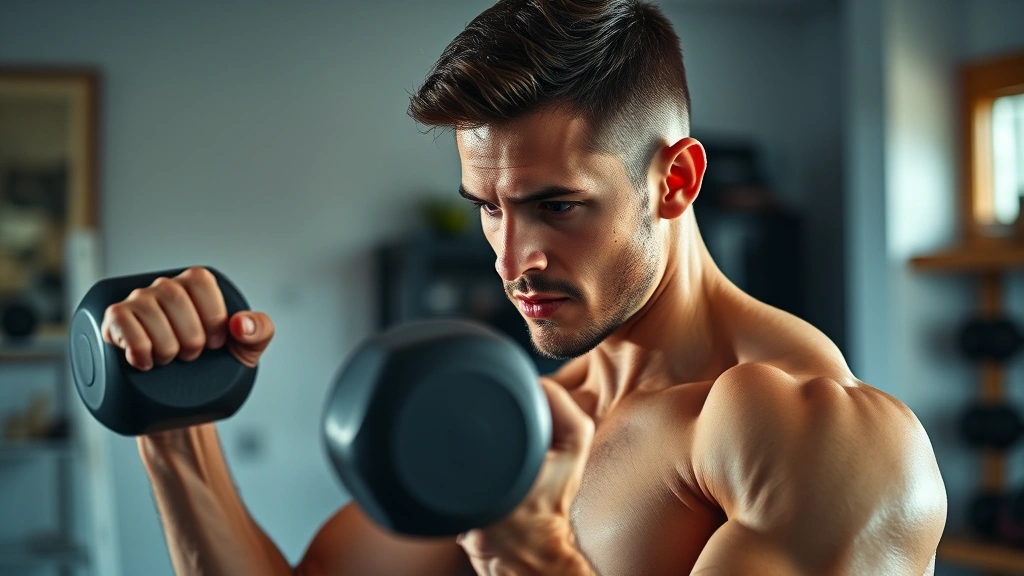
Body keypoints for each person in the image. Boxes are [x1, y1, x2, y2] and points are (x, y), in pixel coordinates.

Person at [105, 0, 947, 574]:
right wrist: (173, 419)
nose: (514, 260)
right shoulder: (548, 413)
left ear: (677, 181)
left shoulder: (811, 434)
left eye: (558, 206)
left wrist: (533, 556)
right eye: (489, 210)